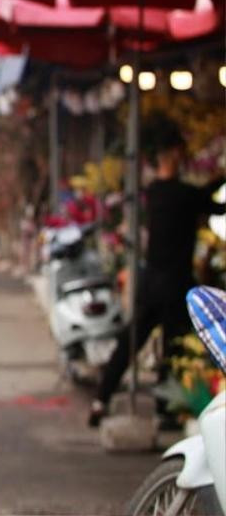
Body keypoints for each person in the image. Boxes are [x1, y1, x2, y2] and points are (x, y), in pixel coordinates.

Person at [89, 120, 226, 427]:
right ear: (174, 155)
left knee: (131, 341)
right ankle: (166, 409)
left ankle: (102, 398)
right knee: (173, 348)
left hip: (151, 282)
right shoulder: (183, 195)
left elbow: (201, 198)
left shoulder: (156, 192)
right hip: (176, 284)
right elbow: (213, 206)